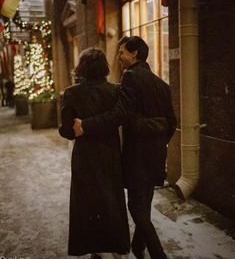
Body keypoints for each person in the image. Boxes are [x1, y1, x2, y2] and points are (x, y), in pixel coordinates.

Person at [73, 36, 177, 259]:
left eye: (122, 53)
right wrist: (159, 141)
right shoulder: (162, 84)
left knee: (137, 209)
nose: (119, 57)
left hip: (138, 156)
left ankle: (159, 255)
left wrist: (87, 125)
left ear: (134, 54)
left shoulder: (130, 77)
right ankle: (138, 247)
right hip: (157, 154)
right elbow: (172, 122)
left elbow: (119, 114)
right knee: (144, 205)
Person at [59, 47, 130, 258]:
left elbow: (67, 132)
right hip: (110, 154)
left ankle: (93, 249)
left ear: (82, 68)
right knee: (111, 199)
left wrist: (76, 128)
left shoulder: (71, 93)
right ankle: (117, 245)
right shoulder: (115, 91)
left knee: (86, 202)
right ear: (104, 68)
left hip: (85, 157)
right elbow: (119, 119)